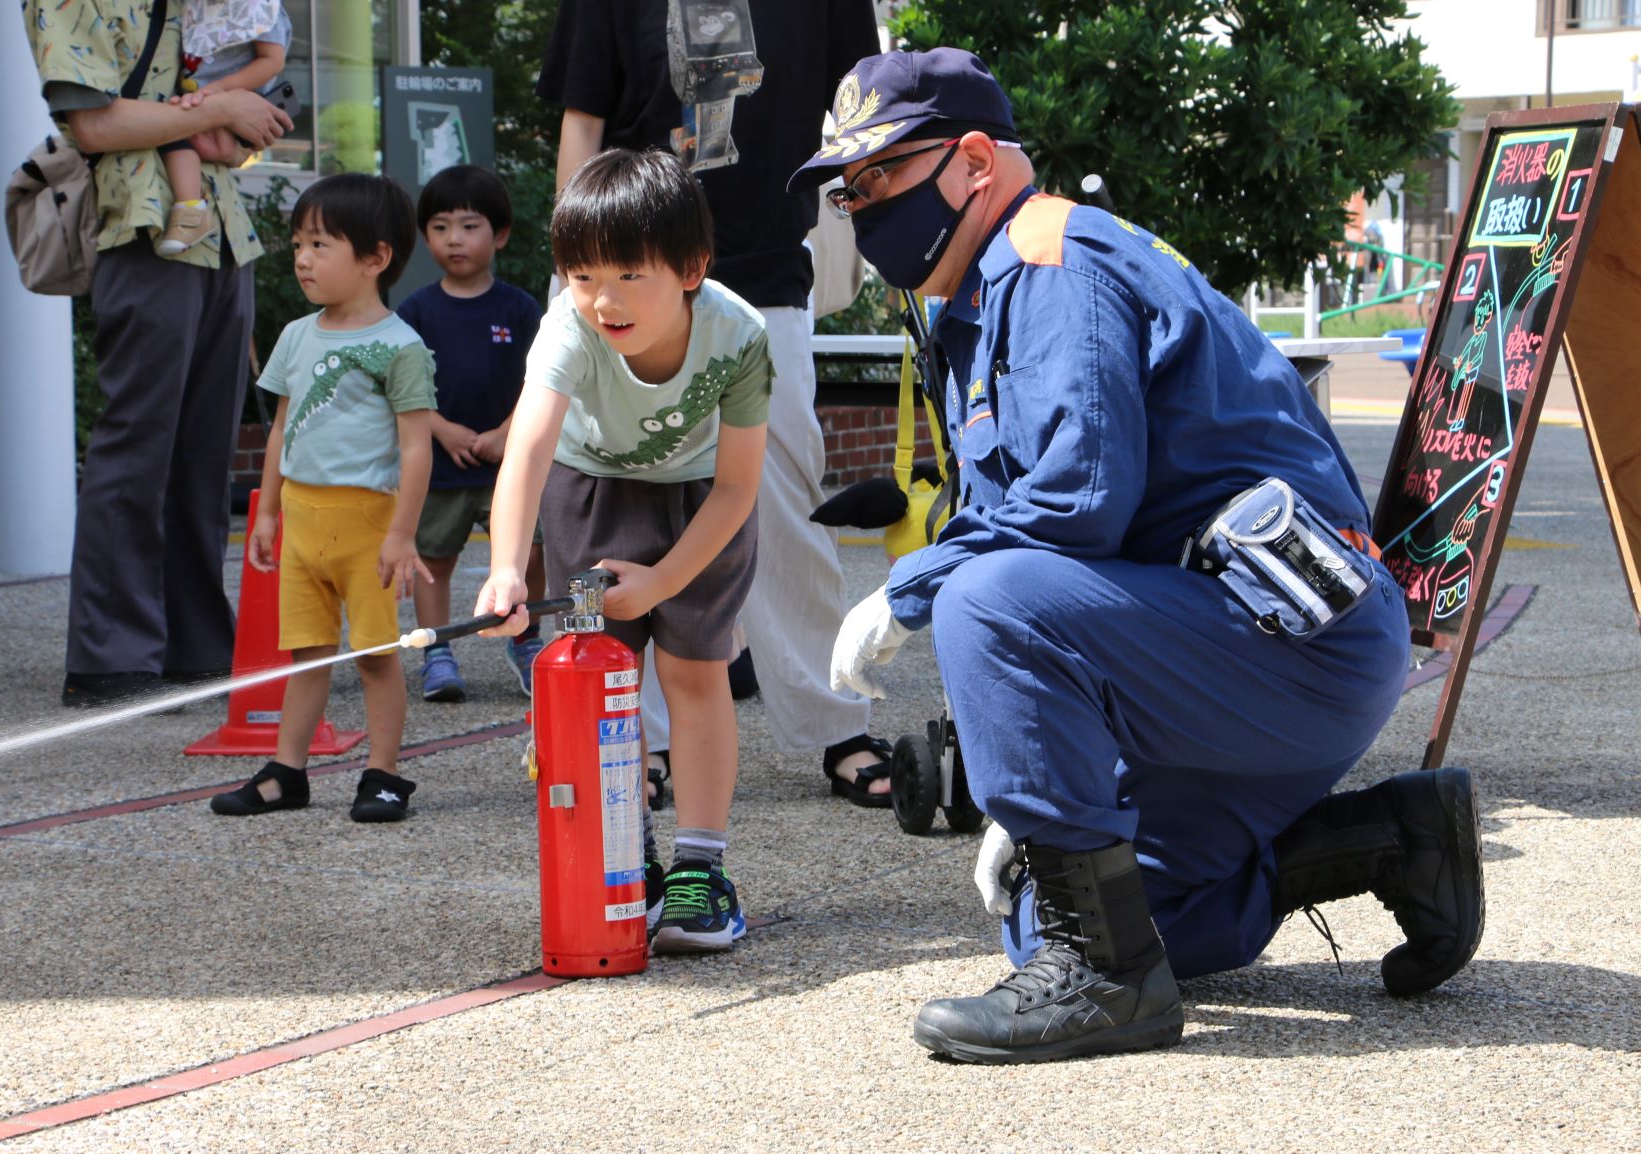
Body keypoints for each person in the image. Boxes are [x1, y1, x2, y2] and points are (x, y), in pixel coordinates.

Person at [792, 48, 1483, 1063]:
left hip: (1291, 637)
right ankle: (1394, 838)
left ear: (973, 161)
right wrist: (1035, 784)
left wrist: (913, 587)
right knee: (1075, 915)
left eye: (879, 177)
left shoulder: (1049, 262)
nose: (859, 205)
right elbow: (1068, 551)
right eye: (847, 191)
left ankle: (1107, 989)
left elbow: (1073, 507)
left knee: (987, 597)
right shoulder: (980, 301)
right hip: (1213, 648)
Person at [537, 0, 898, 806]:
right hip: (631, 272)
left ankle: (835, 718)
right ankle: (644, 739)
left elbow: (858, 110)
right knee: (630, 492)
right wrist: (572, 275)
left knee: (783, 489)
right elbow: (583, 117)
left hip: (769, 259)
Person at [474, 148, 771, 953]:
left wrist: (669, 579)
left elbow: (740, 489)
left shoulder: (738, 334)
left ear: (690, 267)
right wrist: (506, 567)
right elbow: (530, 452)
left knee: (695, 672)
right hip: (589, 490)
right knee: (596, 676)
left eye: (630, 275)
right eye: (582, 275)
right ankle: (624, 853)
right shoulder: (567, 327)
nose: (603, 300)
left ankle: (701, 869)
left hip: (701, 504)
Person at [23, 0, 293, 708]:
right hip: (139, 229)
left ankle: (194, 641)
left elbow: (232, 122)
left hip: (223, 231)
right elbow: (94, 123)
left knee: (206, 453)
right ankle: (112, 654)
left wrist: (234, 118)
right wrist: (220, 109)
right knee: (138, 443)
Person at [209, 173, 436, 824]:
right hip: (303, 524)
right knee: (306, 652)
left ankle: (384, 773)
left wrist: (401, 533)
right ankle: (287, 772)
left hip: (367, 523)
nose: (303, 258)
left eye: (320, 244)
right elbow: (283, 427)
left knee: (374, 655)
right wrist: (270, 510)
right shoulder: (297, 336)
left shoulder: (400, 347)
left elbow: (417, 447)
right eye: (298, 243)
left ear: (375, 259)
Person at [396, 165, 546, 703]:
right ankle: (437, 652)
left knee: (529, 551)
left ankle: (526, 641)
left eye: (469, 225)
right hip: (440, 465)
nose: (454, 239)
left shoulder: (520, 308)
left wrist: (509, 431)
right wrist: (445, 431)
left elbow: (544, 380)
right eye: (439, 227)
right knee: (435, 560)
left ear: (499, 234)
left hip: (510, 462)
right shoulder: (414, 312)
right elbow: (401, 391)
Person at [156, 2, 294, 255]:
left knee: (178, 136)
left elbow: (273, 61)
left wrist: (222, 90)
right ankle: (190, 210)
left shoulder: (259, 7)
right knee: (172, 134)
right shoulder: (197, 7)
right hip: (201, 98)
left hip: (235, 100)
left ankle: (190, 212)